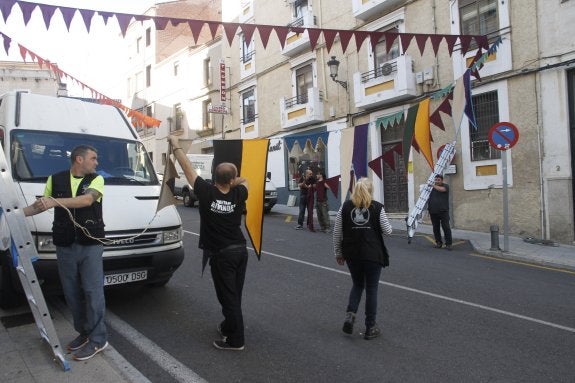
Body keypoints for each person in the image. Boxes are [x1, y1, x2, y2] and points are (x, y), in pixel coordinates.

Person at [24, 145, 108, 361]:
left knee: (92, 292)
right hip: (64, 245)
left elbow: (87, 200)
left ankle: (99, 339)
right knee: (71, 293)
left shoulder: (97, 180)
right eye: (93, 158)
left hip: (90, 245)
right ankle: (85, 332)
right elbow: (41, 205)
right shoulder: (55, 179)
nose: (96, 163)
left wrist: (55, 201)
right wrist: (13, 215)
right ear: (79, 159)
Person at [169, 136, 248, 351]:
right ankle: (228, 325)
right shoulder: (239, 193)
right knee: (234, 294)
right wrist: (233, 181)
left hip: (223, 255)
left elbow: (188, 170)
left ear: (215, 178)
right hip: (240, 251)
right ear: (231, 180)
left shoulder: (206, 192)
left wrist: (176, 147)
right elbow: (244, 180)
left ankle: (236, 340)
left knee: (227, 296)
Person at [333, 178, 392, 340]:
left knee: (358, 284)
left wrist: (338, 253)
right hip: (373, 254)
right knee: (372, 289)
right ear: (370, 191)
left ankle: (350, 315)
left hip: (352, 254)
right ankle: (370, 326)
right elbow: (388, 231)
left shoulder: (344, 207)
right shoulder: (377, 207)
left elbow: (337, 232)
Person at [427, 174, 452, 250]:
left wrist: (432, 185)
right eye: (436, 180)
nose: (437, 181)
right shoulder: (431, 188)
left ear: (442, 180)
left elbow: (442, 190)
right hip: (433, 211)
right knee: (436, 228)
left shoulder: (445, 186)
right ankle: (438, 243)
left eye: (438, 180)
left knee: (446, 227)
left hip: (443, 211)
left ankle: (448, 244)